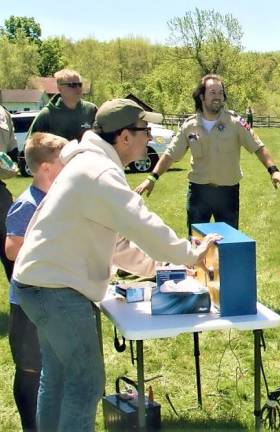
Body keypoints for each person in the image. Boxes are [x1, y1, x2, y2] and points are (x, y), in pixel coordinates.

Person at [13, 99, 221, 431]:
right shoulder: (99, 172)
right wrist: (190, 253)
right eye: (145, 130)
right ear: (124, 137)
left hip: (35, 285)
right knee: (85, 383)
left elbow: (119, 244)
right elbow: (141, 222)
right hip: (56, 291)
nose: (149, 137)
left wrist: (160, 268)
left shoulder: (89, 165)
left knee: (58, 377)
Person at [135, 74, 280, 234]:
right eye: (212, 92)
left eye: (220, 93)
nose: (218, 97)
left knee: (229, 245)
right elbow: (170, 155)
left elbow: (258, 147)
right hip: (199, 193)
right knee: (197, 244)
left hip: (227, 193)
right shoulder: (189, 126)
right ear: (202, 96)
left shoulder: (236, 122)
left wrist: (274, 171)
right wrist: (152, 178)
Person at [6, 133, 66, 431]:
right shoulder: (27, 204)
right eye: (63, 162)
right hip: (26, 305)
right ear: (45, 168)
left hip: (52, 298)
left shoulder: (57, 199)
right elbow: (11, 248)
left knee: (54, 366)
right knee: (30, 369)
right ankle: (32, 426)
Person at [27, 69, 97, 141]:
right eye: (73, 85)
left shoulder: (91, 110)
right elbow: (30, 144)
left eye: (80, 84)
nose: (78, 88)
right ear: (59, 88)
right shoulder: (47, 115)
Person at [0, 105, 19, 282]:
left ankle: (19, 303)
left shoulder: (3, 113)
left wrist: (9, 164)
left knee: (11, 250)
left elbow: (13, 151)